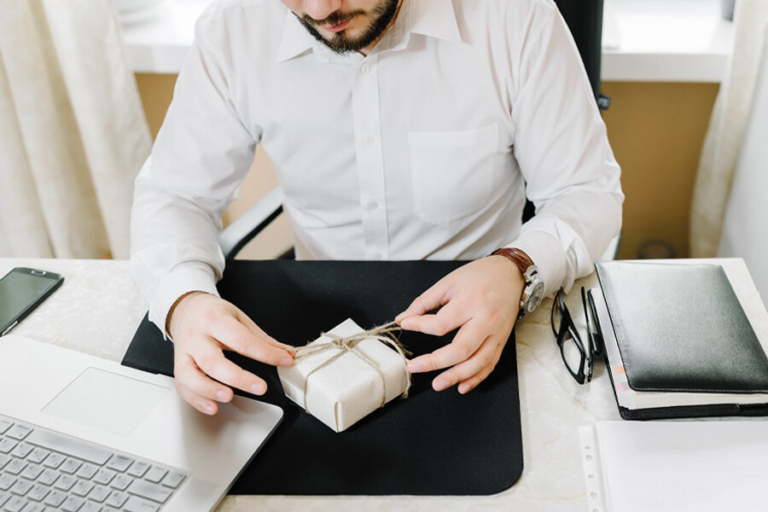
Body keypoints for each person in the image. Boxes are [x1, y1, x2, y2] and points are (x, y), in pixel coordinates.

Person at [131, 0, 623, 415]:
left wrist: (518, 268)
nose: (320, 10)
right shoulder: (233, 30)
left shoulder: (516, 19)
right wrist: (183, 301)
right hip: (314, 333)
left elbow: (587, 192)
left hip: (483, 327)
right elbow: (175, 194)